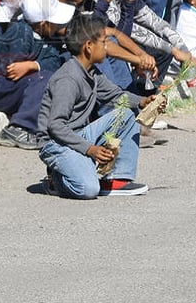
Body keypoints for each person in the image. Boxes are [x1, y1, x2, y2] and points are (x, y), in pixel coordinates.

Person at [37, 12, 159, 199]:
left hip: (78, 136)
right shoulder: (68, 79)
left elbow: (116, 96)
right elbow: (55, 126)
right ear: (88, 47)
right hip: (57, 144)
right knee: (88, 189)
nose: (107, 47)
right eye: (103, 43)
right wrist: (90, 150)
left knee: (126, 113)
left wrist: (143, 102)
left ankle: (117, 178)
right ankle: (55, 180)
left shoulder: (92, 73)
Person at [0, 0, 71, 150]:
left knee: (48, 75)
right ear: (42, 24)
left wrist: (33, 65)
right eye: (53, 21)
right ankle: (20, 128)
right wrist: (27, 66)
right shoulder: (20, 33)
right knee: (43, 79)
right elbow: (5, 70)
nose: (58, 25)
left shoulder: (44, 37)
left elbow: (54, 59)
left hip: (13, 90)